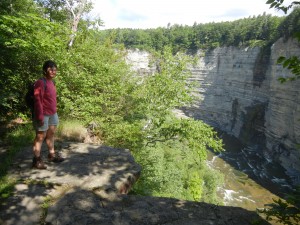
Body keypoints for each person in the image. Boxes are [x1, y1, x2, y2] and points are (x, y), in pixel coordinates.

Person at [32, 60, 64, 169]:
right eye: (50, 69)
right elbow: (38, 100)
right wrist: (40, 116)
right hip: (43, 114)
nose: (53, 71)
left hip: (52, 113)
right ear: (45, 70)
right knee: (40, 136)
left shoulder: (52, 82)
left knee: (51, 134)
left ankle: (51, 155)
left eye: (55, 69)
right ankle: (36, 160)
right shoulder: (41, 82)